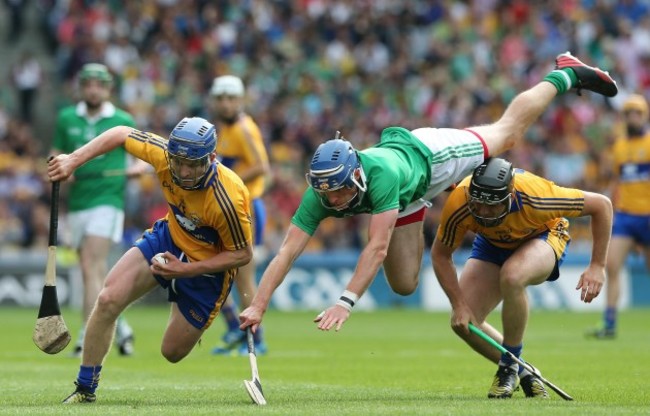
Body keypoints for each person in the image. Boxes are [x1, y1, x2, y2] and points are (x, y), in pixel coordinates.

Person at [238, 52, 618, 335]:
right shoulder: (320, 194)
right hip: (410, 193)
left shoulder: (380, 176)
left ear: (355, 176)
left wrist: (344, 301)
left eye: (338, 191)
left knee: (507, 134)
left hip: (432, 157)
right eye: (325, 192)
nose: (332, 201)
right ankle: (510, 359)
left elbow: (376, 248)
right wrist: (258, 304)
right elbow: (288, 251)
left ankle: (565, 73)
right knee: (404, 285)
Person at [48, 117, 253, 403]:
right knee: (108, 298)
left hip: (207, 271)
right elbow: (121, 133)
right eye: (178, 161)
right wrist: (73, 160)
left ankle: (184, 299)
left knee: (171, 352)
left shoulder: (228, 198)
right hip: (169, 236)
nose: (183, 171)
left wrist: (185, 270)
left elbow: (242, 254)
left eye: (193, 164)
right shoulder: (163, 155)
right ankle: (85, 387)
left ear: (212, 158)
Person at [431, 157, 612, 399]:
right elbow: (440, 255)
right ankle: (525, 371)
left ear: (510, 196)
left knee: (513, 276)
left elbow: (602, 205)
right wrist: (458, 304)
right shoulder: (461, 201)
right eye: (478, 203)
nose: (483, 212)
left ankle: (507, 368)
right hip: (492, 242)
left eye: (492, 205)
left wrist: (597, 265)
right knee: (465, 323)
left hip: (542, 235)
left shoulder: (539, 196)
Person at [50, 63, 137, 357]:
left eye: (99, 84)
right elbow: (55, 153)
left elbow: (141, 158)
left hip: (108, 200)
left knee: (90, 264)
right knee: (95, 271)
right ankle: (120, 326)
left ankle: (87, 334)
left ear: (108, 89)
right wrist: (61, 167)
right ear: (81, 87)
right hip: (78, 202)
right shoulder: (66, 118)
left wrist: (136, 170)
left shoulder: (122, 119)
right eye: (88, 84)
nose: (93, 89)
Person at [208, 75, 271, 356]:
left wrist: (224, 180)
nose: (225, 103)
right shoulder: (223, 130)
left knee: (244, 276)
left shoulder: (245, 128)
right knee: (214, 270)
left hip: (247, 206)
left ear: (241, 100)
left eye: (231, 98)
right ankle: (236, 327)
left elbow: (261, 166)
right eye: (220, 98)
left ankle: (255, 339)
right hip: (229, 207)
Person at [587, 94, 650, 339]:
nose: (632, 117)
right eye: (628, 113)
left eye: (637, 113)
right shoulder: (619, 146)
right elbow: (617, 180)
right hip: (626, 215)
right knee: (611, 265)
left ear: (644, 116)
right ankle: (609, 324)